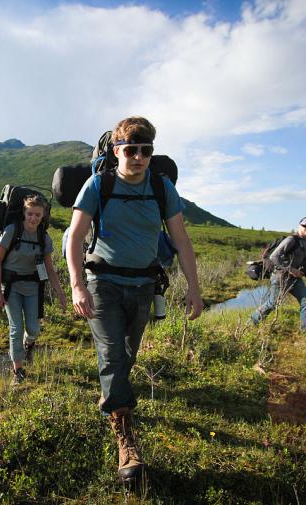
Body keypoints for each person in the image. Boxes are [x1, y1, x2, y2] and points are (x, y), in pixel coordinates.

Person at [66, 116, 203, 484]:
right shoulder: (98, 184)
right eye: (131, 150)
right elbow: (75, 238)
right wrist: (77, 285)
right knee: (111, 354)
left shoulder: (161, 189)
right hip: (103, 284)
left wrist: (194, 287)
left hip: (143, 285)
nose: (139, 157)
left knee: (127, 355)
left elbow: (182, 240)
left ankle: (112, 397)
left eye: (146, 150)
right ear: (117, 151)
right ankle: (126, 439)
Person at [0, 194, 66, 385]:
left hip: (33, 287)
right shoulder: (12, 231)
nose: (33, 218)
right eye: (30, 214)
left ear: (43, 216)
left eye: (38, 215)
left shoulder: (44, 237)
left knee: (33, 328)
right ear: (24, 213)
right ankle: (18, 371)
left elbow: (49, 269)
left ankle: (29, 344)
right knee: (16, 328)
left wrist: (60, 292)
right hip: (10, 287)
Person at [250, 216, 306, 331]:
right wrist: (291, 269)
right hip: (280, 277)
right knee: (272, 303)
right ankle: (251, 324)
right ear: (299, 226)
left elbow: (305, 259)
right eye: (305, 226)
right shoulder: (291, 240)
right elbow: (274, 257)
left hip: (295, 279)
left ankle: (304, 331)